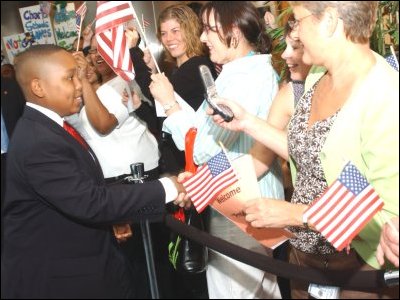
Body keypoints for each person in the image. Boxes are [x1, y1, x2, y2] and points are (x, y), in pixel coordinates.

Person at [208, 1, 399, 298]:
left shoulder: (385, 95)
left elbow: (387, 211)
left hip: (357, 266)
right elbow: (309, 152)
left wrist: (296, 215)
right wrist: (247, 122)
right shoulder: (316, 75)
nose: (294, 33)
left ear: (330, 21)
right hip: (304, 258)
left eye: (298, 21)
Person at [1, 44, 186, 299]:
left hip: (85, 263)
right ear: (38, 87)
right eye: (70, 78)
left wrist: (115, 216)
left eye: (78, 75)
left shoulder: (50, 128)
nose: (80, 85)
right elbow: (90, 202)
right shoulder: (38, 141)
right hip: (61, 278)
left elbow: (81, 190)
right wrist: (167, 187)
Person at [150, 2, 283, 299]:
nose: (205, 37)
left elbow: (202, 149)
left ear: (233, 31)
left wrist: (171, 104)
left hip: (238, 205)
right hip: (244, 201)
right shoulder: (242, 73)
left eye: (210, 29)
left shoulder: (245, 78)